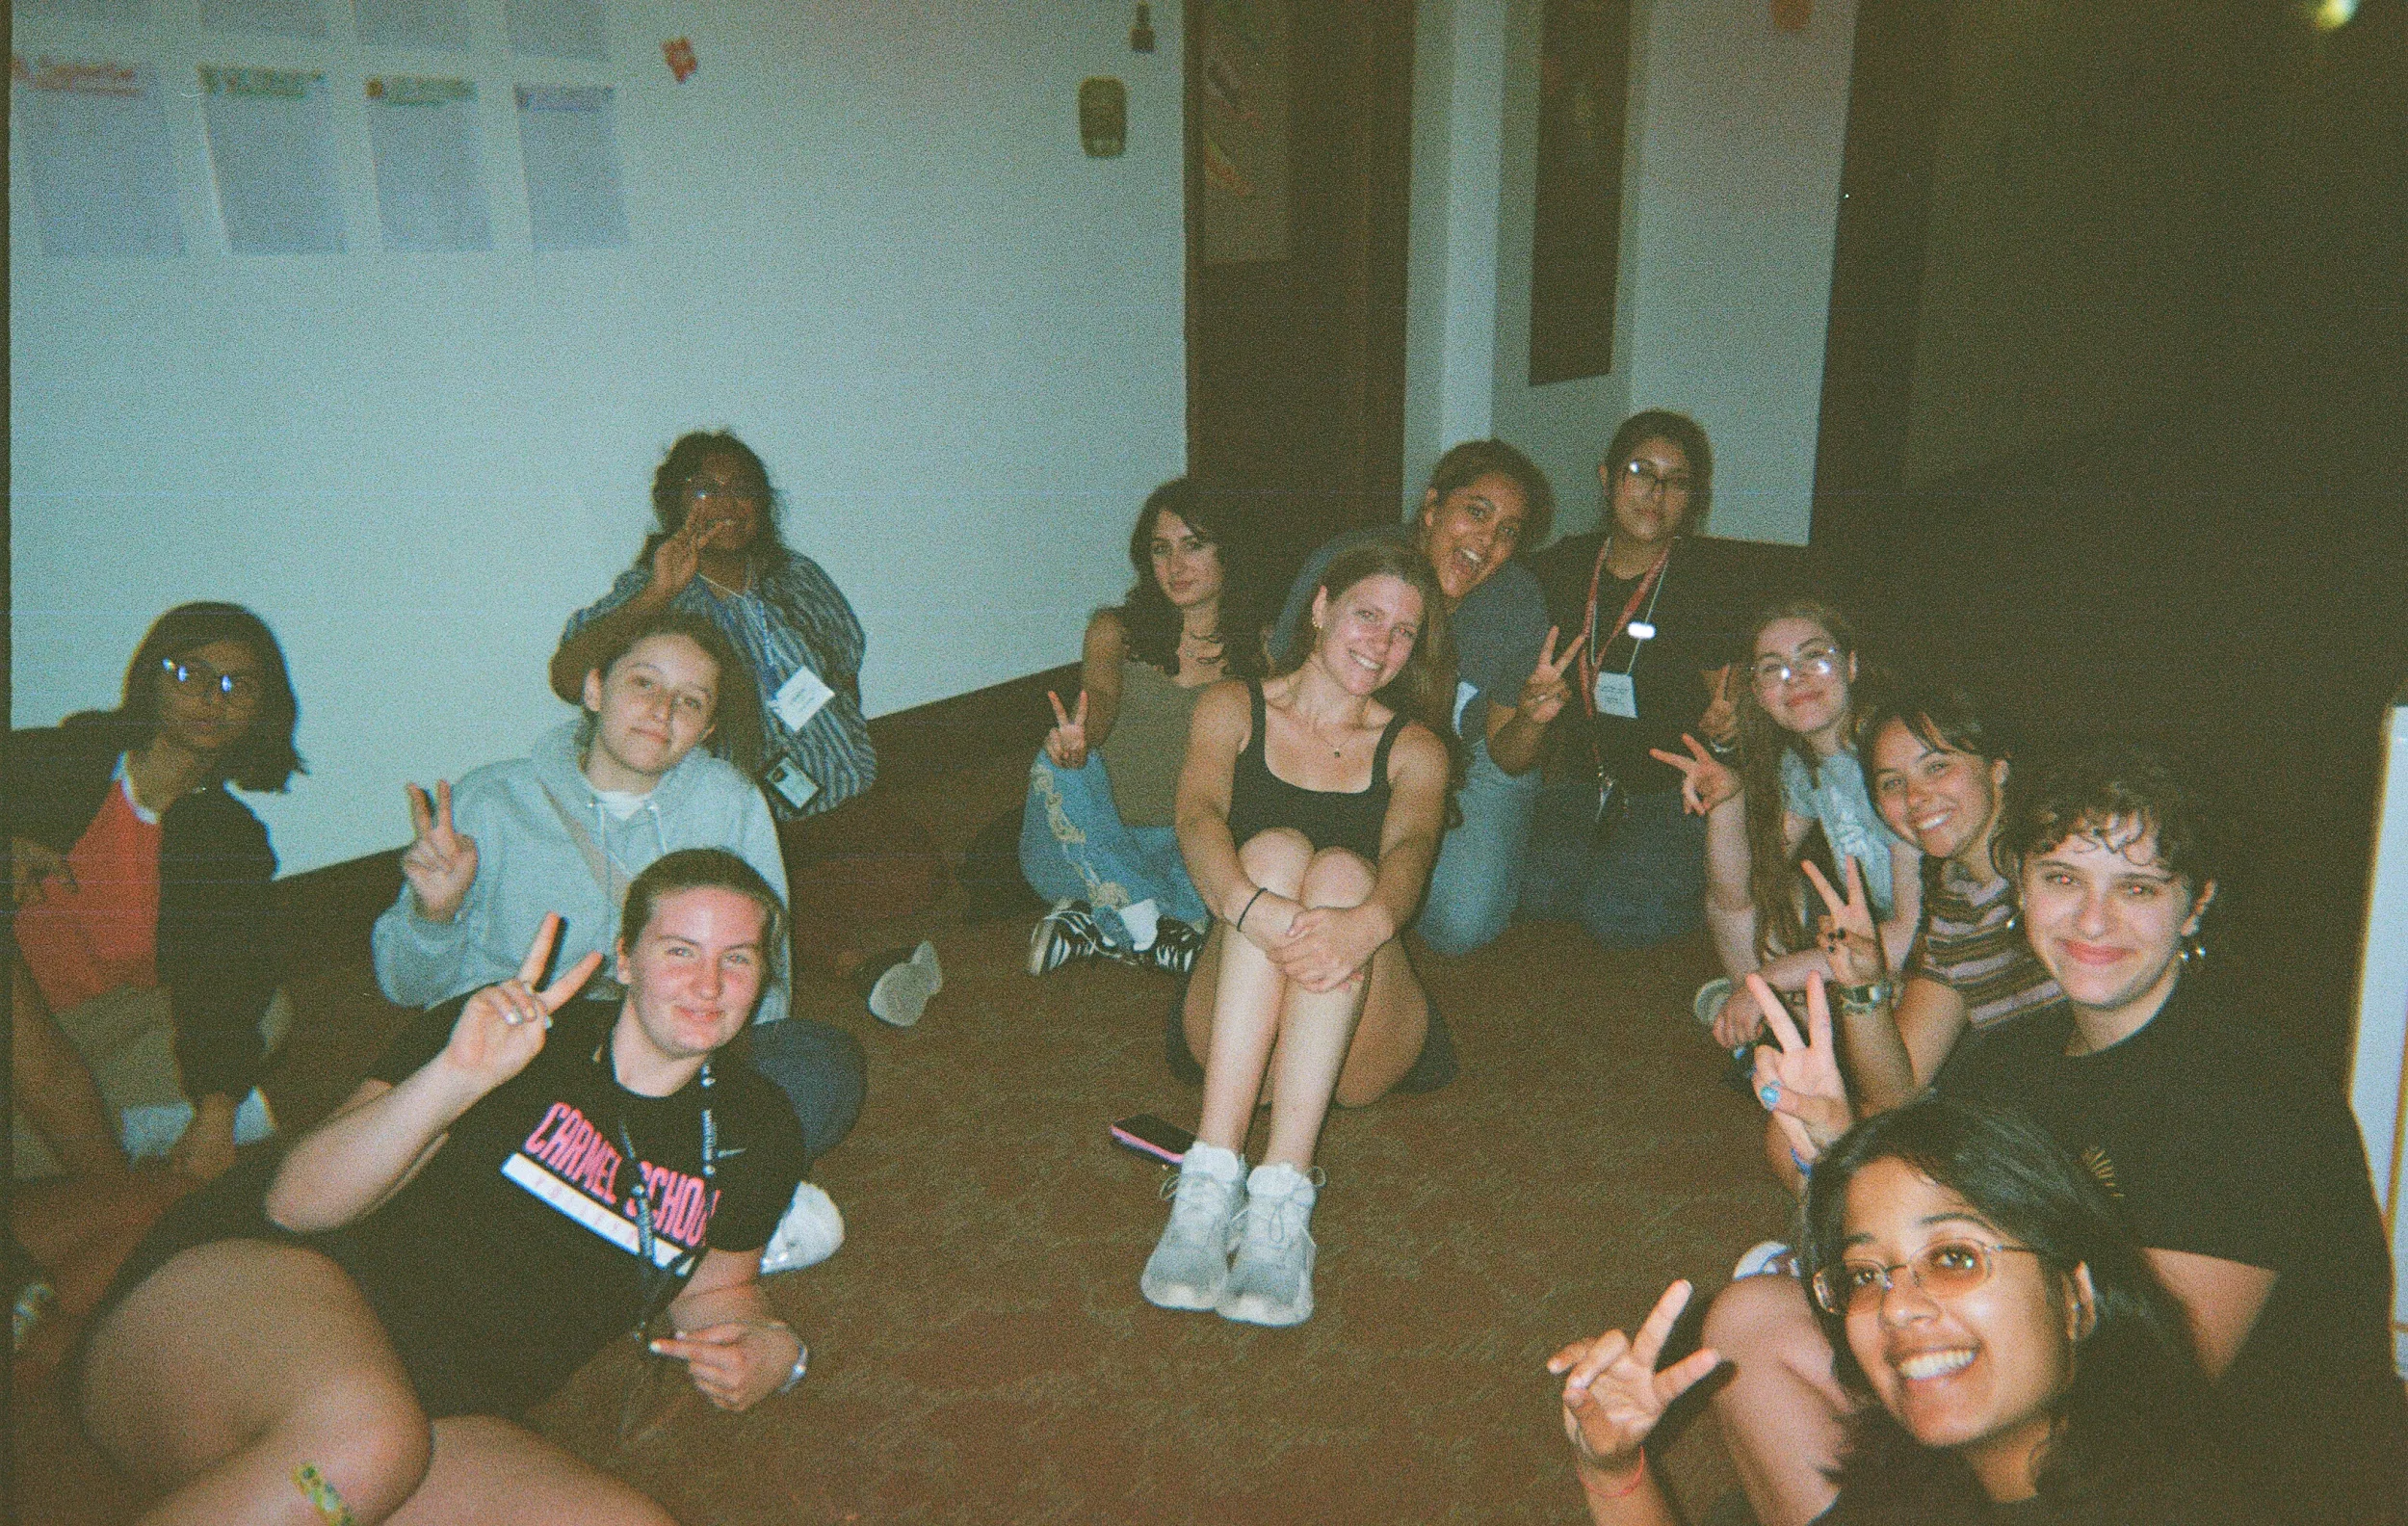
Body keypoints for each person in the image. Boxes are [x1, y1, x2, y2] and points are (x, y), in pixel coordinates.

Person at [1715, 745, 2407, 1525]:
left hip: (2235, 1470)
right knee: (1750, 1323)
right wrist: (1835, 1141)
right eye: (2062, 879)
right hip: (2048, 1393)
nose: (2092, 920)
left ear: (2196, 904)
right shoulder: (2012, 1063)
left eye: (2137, 888)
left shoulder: (2247, 1096)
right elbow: (1921, 1242)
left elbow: (2150, 1390)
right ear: (2022, 887)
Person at [74, 851, 812, 1526]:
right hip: (266, 1297)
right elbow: (296, 1203)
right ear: (624, 958)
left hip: (446, 1413)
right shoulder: (509, 1029)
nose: (708, 985)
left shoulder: (759, 1129)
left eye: (737, 959)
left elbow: (720, 1291)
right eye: (680, 950)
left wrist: (775, 1349)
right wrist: (457, 1079)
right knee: (365, 1441)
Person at [1551, 1096, 2224, 1525]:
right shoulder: (1946, 1477)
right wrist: (1612, 1467)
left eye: (1954, 1257)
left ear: (2076, 1296)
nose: (1896, 1306)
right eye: (1865, 1275)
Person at [374, 608, 865, 1182]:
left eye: (691, 701)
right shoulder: (491, 801)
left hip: (660, 1047)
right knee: (451, 1100)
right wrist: (434, 914)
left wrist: (714, 1065)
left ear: (707, 730)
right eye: (644, 683)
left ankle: (604, 1176)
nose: (663, 711)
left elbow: (761, 969)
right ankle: (655, 1183)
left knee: (819, 1066)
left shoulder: (730, 804)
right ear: (594, 689)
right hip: (518, 1045)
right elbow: (404, 987)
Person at [1142, 542, 1456, 1327]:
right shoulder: (1231, 706)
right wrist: (1249, 905)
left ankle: (1282, 1199)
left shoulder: (1417, 747)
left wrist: (1364, 926)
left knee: (1347, 876)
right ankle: (1209, 1181)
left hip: (1358, 1036)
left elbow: (1411, 852)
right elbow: (1197, 817)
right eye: (1367, 615)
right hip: (1236, 1025)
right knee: (1272, 853)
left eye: (1404, 633)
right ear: (1320, 607)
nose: (1383, 644)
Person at [551, 430, 946, 1027]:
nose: (727, 504)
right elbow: (567, 675)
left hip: (836, 796)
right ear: (673, 504)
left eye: (742, 488)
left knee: (920, 870)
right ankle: (862, 966)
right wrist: (659, 593)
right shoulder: (656, 589)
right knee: (749, 896)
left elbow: (846, 664)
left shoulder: (796, 577)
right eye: (706, 490)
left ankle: (778, 915)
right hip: (738, 814)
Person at [9, 603, 303, 1185]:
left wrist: (217, 1115)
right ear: (152, 677)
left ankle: (99, 1137)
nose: (213, 698)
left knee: (267, 1012)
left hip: (93, 1035)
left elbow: (225, 978)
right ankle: (108, 1140)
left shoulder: (227, 837)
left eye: (238, 685)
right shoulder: (59, 759)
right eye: (190, 674)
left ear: (261, 710)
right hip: (17, 1014)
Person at [1269, 439, 1565, 957]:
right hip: (1347, 741)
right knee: (1297, 874)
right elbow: (1282, 692)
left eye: (1508, 532)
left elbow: (1508, 754)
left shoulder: (1516, 602)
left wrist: (1534, 719)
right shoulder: (1352, 565)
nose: (1486, 541)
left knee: (1458, 926)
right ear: (1432, 508)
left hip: (1471, 755)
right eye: (1476, 512)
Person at [1522, 410, 1750, 951]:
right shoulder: (1563, 566)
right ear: (1607, 479)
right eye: (1640, 471)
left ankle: (1732, 878)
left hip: (1672, 789)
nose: (1656, 492)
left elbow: (1732, 692)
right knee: (1535, 893)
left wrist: (1731, 720)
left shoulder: (1707, 582)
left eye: (1677, 481)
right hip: (1581, 779)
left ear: (1692, 499)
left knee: (1618, 916)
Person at [1022, 479, 1268, 976]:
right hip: (1082, 846)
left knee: (1254, 855)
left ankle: (1100, 924)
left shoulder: (1264, 649)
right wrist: (1080, 741)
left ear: (1230, 551)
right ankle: (1153, 929)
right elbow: (1101, 695)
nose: (1175, 566)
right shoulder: (1114, 629)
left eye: (1193, 545)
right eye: (1161, 549)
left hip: (1182, 850)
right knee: (1056, 762)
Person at [1650, 600, 1921, 1047]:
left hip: (1937, 940)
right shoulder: (1804, 762)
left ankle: (1776, 1020)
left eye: (1814, 656)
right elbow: (1742, 888)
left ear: (1852, 666)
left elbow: (1909, 934)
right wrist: (1728, 800)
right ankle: (1780, 1034)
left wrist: (1767, 980)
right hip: (1875, 930)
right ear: (1758, 693)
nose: (1794, 677)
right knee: (1753, 900)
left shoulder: (1896, 752)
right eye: (1773, 668)